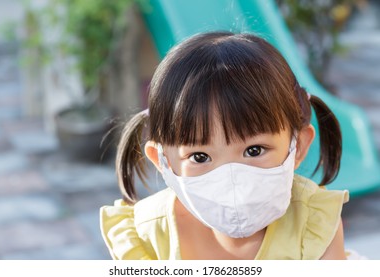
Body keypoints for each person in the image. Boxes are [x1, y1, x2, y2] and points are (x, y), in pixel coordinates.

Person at [100, 31, 349, 260]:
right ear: (162, 160)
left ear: (299, 146)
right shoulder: (147, 237)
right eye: (199, 156)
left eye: (254, 150)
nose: (232, 179)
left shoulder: (315, 225)